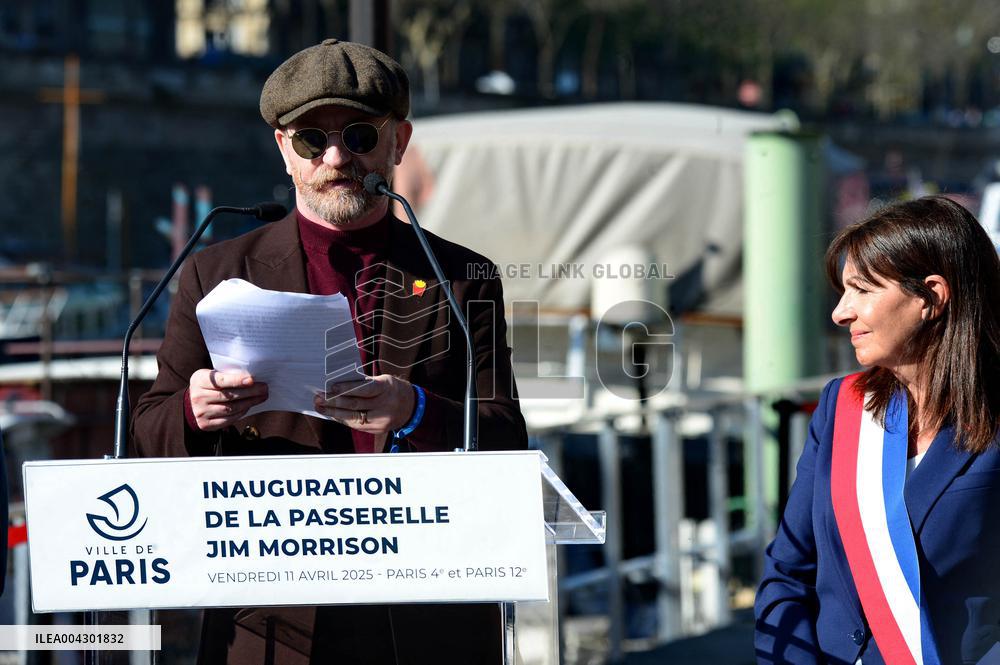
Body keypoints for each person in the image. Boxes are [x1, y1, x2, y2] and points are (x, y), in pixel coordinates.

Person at [132, 38, 528, 665]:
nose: (337, 157)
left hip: (427, 616)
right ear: (285, 151)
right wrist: (194, 408)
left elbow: (507, 436)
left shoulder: (462, 276)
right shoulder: (215, 269)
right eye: (313, 140)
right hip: (270, 619)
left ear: (399, 142)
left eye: (360, 136)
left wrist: (415, 410)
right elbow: (146, 431)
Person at [754, 196, 1000, 664]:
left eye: (862, 290)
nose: (840, 312)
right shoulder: (841, 407)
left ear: (931, 297)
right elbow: (788, 573)